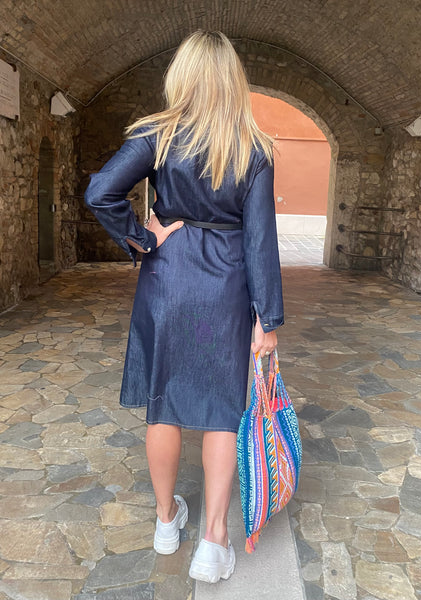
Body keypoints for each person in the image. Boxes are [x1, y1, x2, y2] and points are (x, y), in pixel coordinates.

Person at [84, 30, 283, 584]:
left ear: (183, 75)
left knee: (163, 404)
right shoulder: (254, 148)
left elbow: (100, 191)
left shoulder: (158, 134)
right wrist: (266, 319)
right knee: (223, 409)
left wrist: (142, 238)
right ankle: (214, 542)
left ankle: (166, 520)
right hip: (227, 286)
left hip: (168, 281)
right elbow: (260, 240)